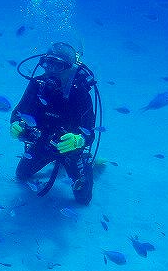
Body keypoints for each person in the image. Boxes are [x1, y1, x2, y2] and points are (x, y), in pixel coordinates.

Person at [10, 42, 100, 205]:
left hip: (70, 150)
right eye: (47, 64)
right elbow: (18, 113)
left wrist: (78, 140)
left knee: (83, 199)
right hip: (43, 142)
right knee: (21, 174)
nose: (50, 70)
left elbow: (90, 133)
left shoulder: (80, 93)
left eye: (57, 65)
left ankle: (85, 161)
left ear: (70, 68)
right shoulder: (37, 84)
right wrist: (16, 125)